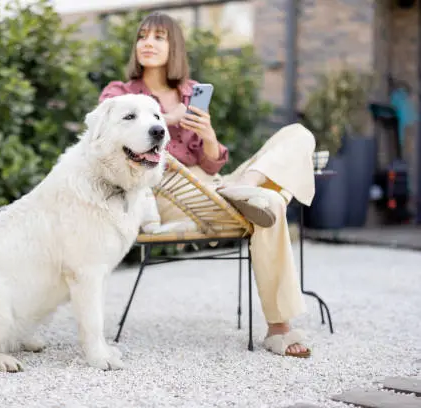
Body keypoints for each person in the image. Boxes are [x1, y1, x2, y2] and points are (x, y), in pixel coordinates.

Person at [99, 12, 317, 358]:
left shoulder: (190, 93)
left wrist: (209, 135)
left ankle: (247, 185)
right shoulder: (122, 94)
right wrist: (166, 119)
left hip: (213, 184)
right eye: (142, 37)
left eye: (159, 37)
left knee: (298, 135)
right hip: (173, 191)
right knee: (271, 203)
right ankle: (280, 329)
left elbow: (211, 161)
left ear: (175, 47)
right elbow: (106, 141)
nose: (148, 43)